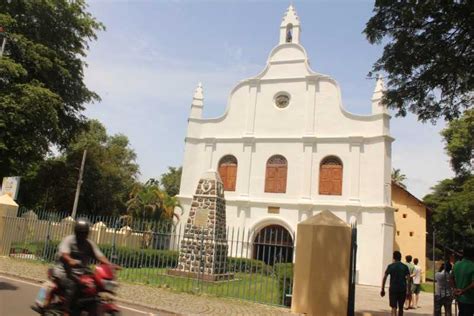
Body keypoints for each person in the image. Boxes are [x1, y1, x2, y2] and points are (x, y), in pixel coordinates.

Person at [53, 218, 117, 316]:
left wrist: (109, 265)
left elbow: (99, 256)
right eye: (81, 233)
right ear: (76, 232)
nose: (83, 235)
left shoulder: (89, 243)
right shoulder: (69, 240)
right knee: (73, 284)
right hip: (64, 271)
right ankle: (66, 311)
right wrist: (70, 260)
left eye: (85, 233)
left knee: (93, 287)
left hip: (81, 272)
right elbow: (64, 253)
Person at [381, 251, 411, 316]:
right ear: (400, 257)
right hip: (402, 289)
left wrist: (382, 289)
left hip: (393, 289)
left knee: (393, 307)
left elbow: (385, 277)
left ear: (394, 257)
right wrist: (408, 291)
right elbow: (409, 280)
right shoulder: (405, 267)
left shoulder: (390, 266)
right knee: (401, 308)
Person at [452, 247, 474, 316]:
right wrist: (463, 290)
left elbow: (451, 278)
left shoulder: (456, 264)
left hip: (460, 298)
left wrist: (455, 288)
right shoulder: (472, 265)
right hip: (470, 299)